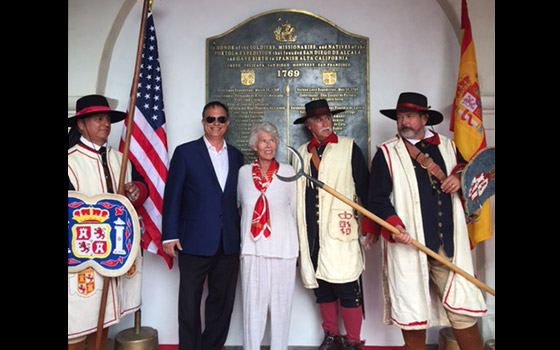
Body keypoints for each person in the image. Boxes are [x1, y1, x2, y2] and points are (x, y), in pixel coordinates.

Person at [367, 92, 487, 350]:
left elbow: (469, 172)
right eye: (399, 117)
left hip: (449, 248)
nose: (403, 122)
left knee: (462, 309)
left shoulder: (448, 147)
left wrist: (459, 177)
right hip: (410, 245)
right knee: (412, 312)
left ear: (424, 118)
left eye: (409, 116)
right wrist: (394, 227)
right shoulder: (387, 153)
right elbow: (376, 199)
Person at [67, 94, 149, 350]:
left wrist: (136, 189)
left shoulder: (119, 158)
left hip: (112, 253)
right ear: (81, 125)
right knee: (77, 320)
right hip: (82, 256)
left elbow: (141, 189)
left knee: (102, 320)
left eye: (107, 119)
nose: (105, 124)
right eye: (98, 119)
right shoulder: (70, 161)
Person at [292, 99, 375, 350]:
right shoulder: (301, 153)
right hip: (311, 233)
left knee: (347, 286)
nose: (325, 123)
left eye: (328, 118)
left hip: (340, 229)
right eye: (319, 120)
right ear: (309, 125)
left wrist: (369, 228)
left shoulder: (349, 148)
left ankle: (352, 340)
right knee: (322, 287)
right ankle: (331, 335)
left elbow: (365, 190)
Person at [162, 101, 244, 350]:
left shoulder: (237, 155)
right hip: (193, 240)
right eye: (211, 119)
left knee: (222, 302)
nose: (216, 124)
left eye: (220, 119)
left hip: (227, 240)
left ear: (227, 123)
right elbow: (173, 196)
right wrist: (169, 235)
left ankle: (210, 347)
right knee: (189, 303)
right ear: (203, 122)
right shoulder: (185, 153)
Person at [237, 122, 299, 350]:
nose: (269, 145)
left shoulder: (288, 172)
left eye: (272, 140)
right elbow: (238, 207)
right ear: (254, 145)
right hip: (253, 250)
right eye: (264, 141)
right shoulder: (243, 174)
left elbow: (295, 209)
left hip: (283, 249)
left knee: (282, 310)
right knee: (253, 309)